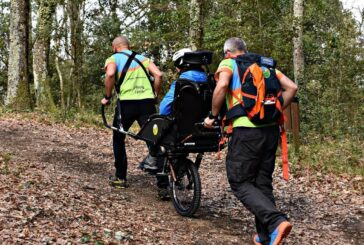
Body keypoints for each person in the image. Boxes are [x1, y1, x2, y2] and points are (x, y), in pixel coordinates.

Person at [204, 37, 298, 245]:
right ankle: (266, 237)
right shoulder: (265, 65)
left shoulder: (228, 63)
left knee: (239, 181)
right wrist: (274, 110)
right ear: (245, 50)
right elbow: (291, 87)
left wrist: (212, 115)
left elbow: (222, 87)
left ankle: (276, 221)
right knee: (262, 183)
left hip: (246, 132)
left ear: (228, 52)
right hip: (271, 131)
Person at [139, 48, 208, 198]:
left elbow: (164, 108)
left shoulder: (181, 83)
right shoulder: (211, 80)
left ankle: (162, 183)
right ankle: (180, 171)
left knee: (162, 140)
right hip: (204, 129)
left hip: (180, 129)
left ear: (179, 66)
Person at [101, 36, 163, 189]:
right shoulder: (143, 59)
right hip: (147, 103)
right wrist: (155, 95)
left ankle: (120, 178)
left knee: (118, 138)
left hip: (127, 104)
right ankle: (164, 185)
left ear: (114, 47)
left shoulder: (113, 58)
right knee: (155, 140)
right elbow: (159, 75)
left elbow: (110, 74)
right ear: (128, 46)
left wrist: (107, 97)